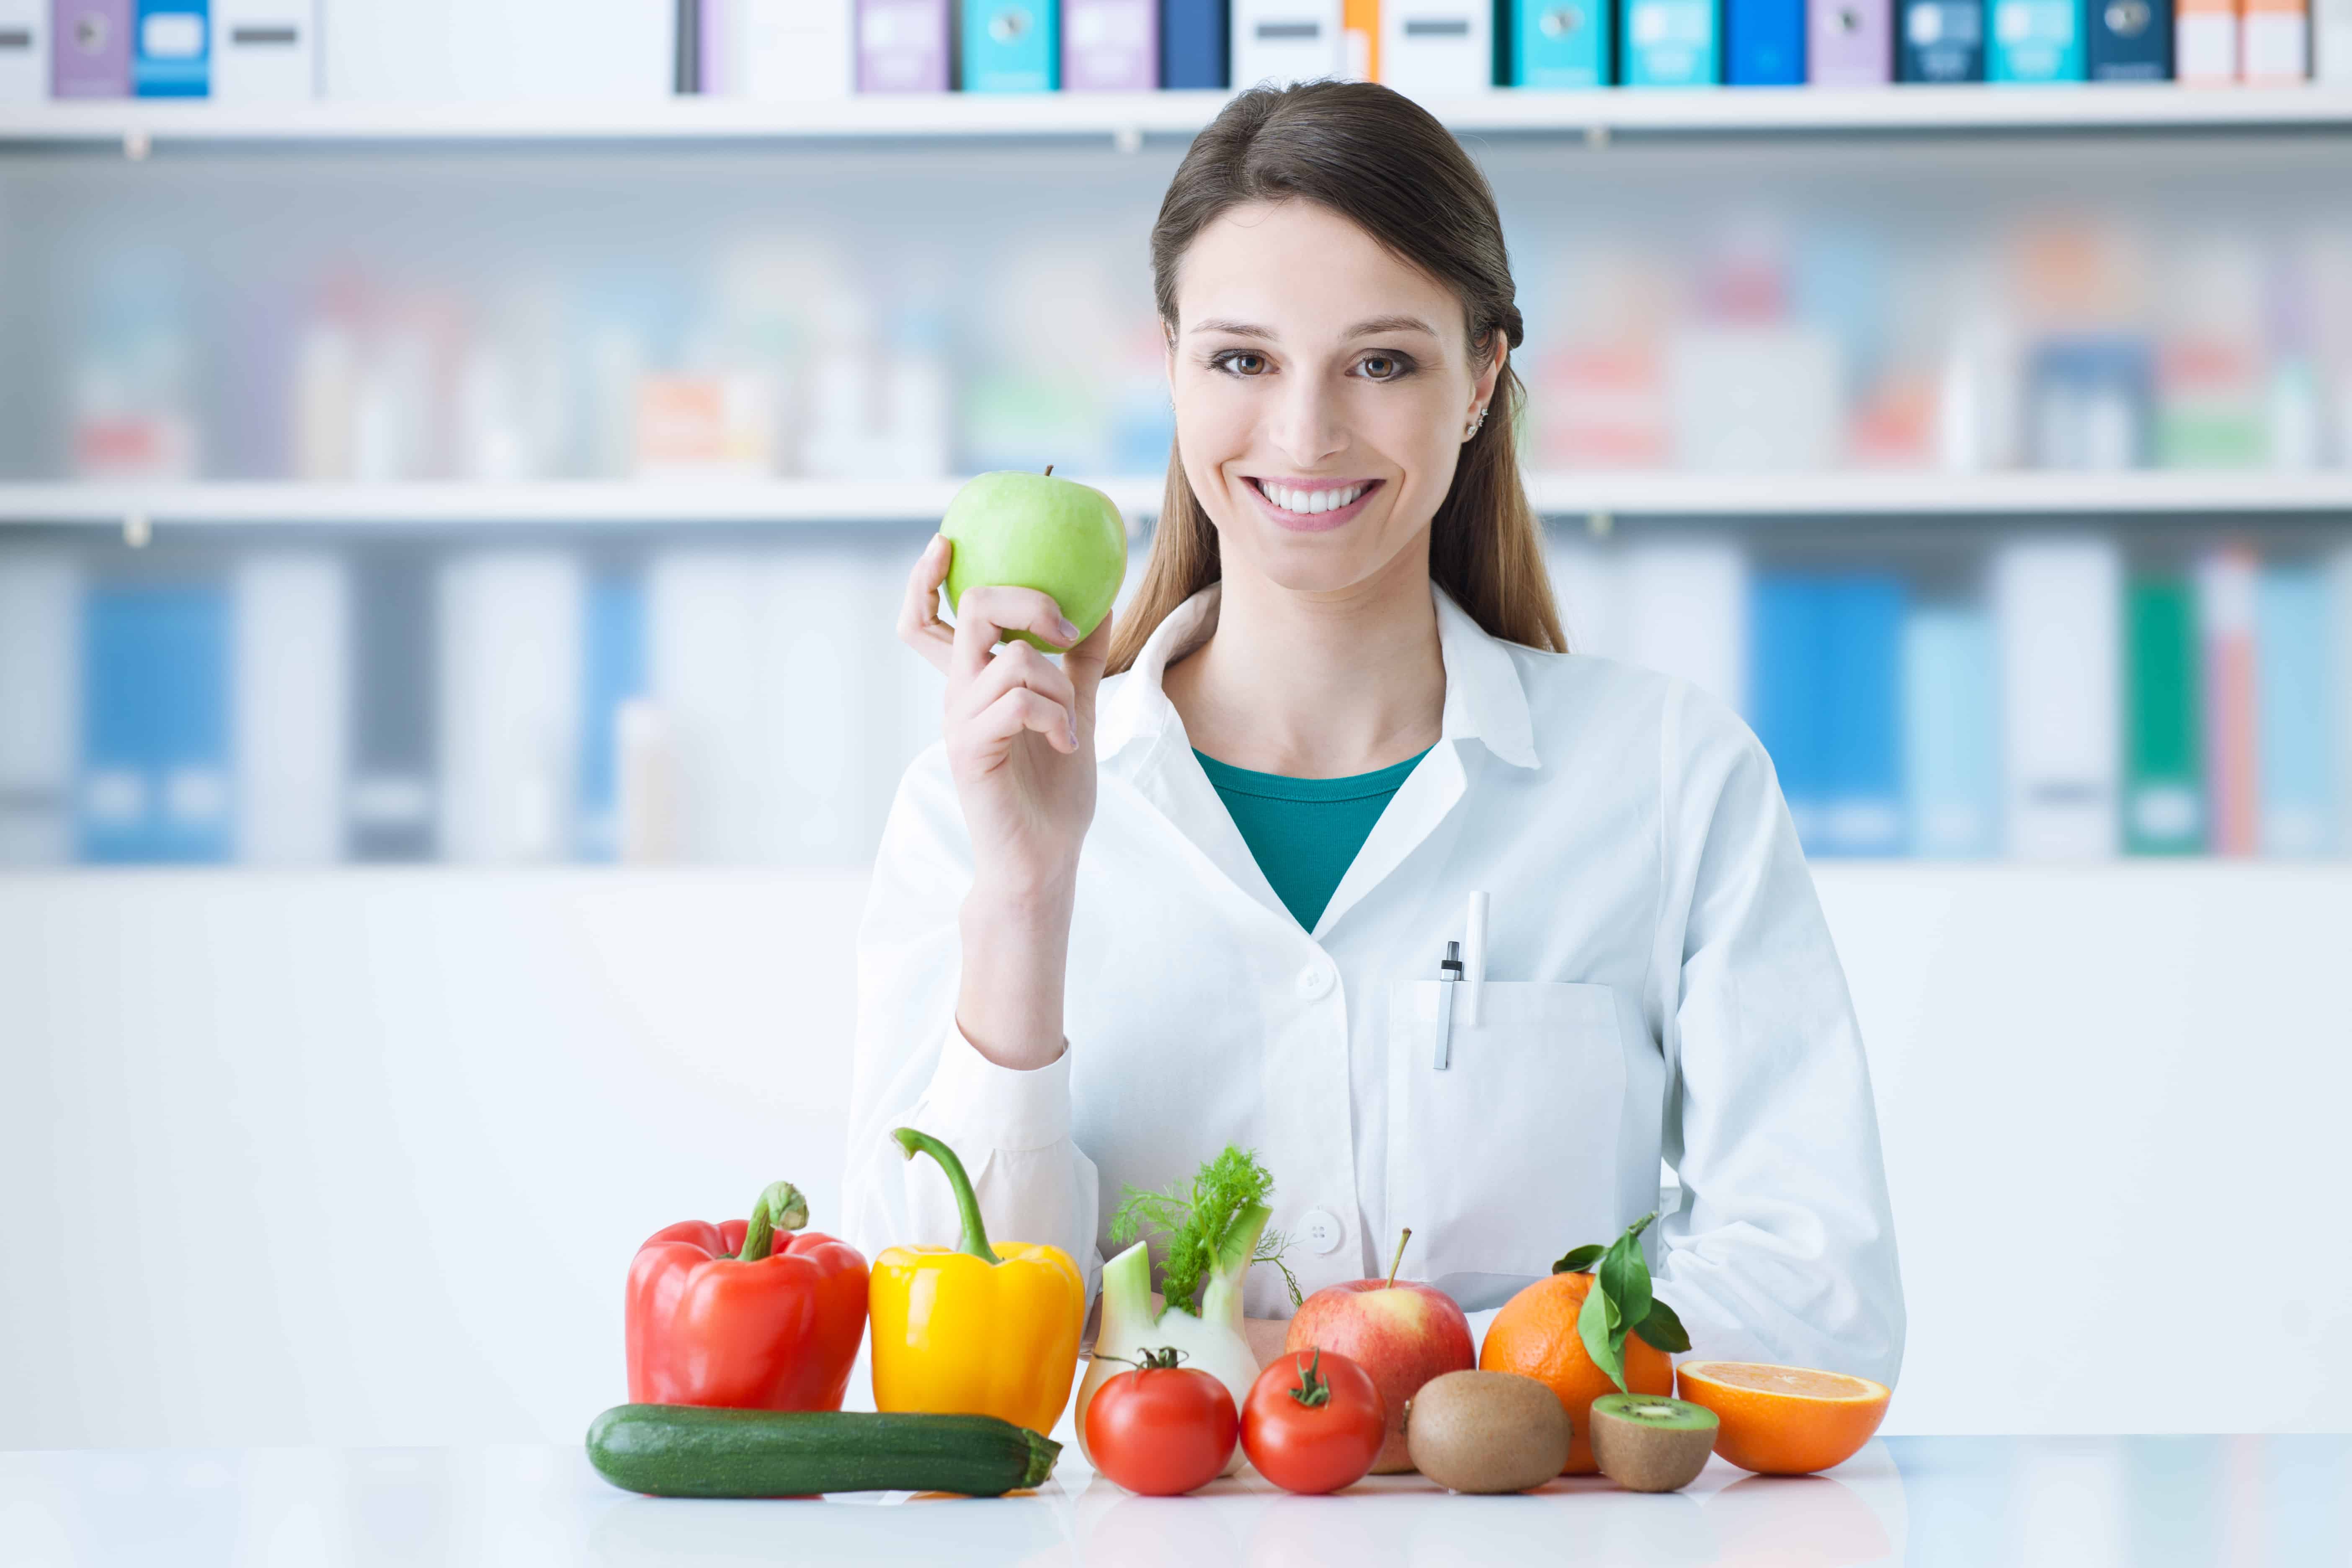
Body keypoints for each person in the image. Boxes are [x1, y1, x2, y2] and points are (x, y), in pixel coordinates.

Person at [843, 80, 1903, 1386]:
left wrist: (1356, 1379)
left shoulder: (1670, 778)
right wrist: (1026, 893)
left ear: (1481, 381)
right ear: (1171, 365)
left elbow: (1818, 1299)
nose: (1303, 433)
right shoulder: (974, 806)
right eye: (1242, 360)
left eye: (1383, 361)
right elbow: (942, 1358)